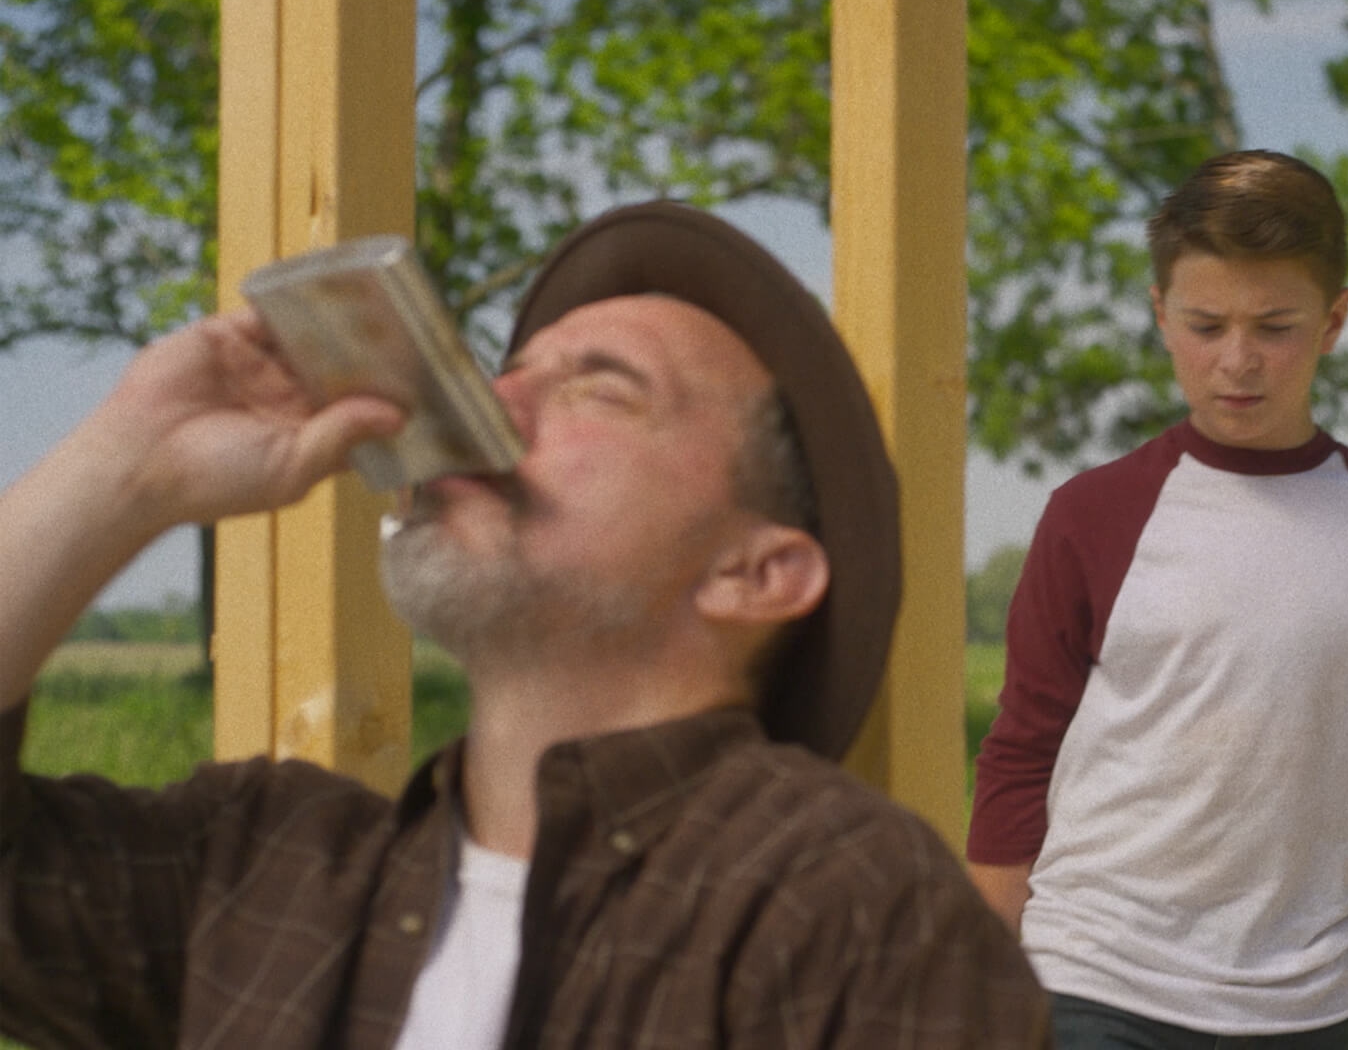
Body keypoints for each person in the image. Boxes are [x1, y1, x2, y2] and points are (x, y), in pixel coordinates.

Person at [0, 202, 1049, 1048]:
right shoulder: (262, 866)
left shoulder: (849, 908)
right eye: (507, 372)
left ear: (754, 574)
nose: (489, 408)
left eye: (600, 389)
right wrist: (128, 466)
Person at [965, 150, 1348, 1048]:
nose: (1237, 361)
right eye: (1205, 325)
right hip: (1094, 975)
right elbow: (1023, 753)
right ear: (1160, 314)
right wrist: (979, 981)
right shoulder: (1092, 516)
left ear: (1334, 320)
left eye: (1275, 327)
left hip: (1302, 1002)